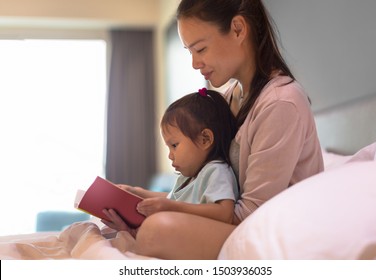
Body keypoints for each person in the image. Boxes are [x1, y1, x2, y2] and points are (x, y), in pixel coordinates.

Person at [103, 0, 324, 259]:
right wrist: (143, 200)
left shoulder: (280, 103)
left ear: (238, 29)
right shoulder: (230, 98)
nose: (195, 63)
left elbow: (247, 214)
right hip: (237, 222)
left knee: (155, 231)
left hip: (271, 231)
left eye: (200, 49)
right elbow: (213, 196)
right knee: (143, 225)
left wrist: (163, 213)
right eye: (190, 52)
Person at [102, 88, 239, 229]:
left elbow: (224, 213)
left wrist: (173, 207)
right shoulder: (188, 177)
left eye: (174, 145)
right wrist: (136, 192)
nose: (170, 155)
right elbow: (172, 199)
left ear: (205, 139)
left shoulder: (216, 171)